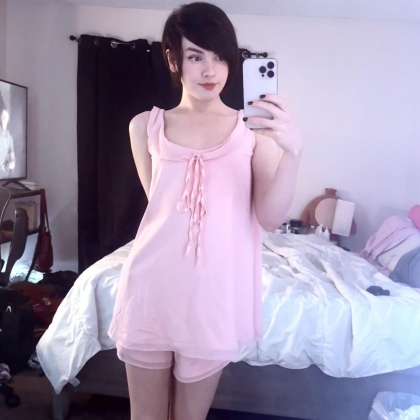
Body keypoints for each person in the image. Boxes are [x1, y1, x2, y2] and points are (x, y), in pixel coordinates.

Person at [108, 2, 303, 420]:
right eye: (196, 56)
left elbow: (269, 218)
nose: (210, 70)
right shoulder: (144, 126)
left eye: (219, 57)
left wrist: (293, 154)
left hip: (212, 298)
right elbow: (159, 207)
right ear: (172, 60)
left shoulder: (252, 132)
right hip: (149, 289)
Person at [0, 93, 15, 177]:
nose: (4, 119)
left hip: (4, 175)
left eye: (6, 117)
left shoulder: (9, 137)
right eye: (3, 117)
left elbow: (13, 160)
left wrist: (8, 164)